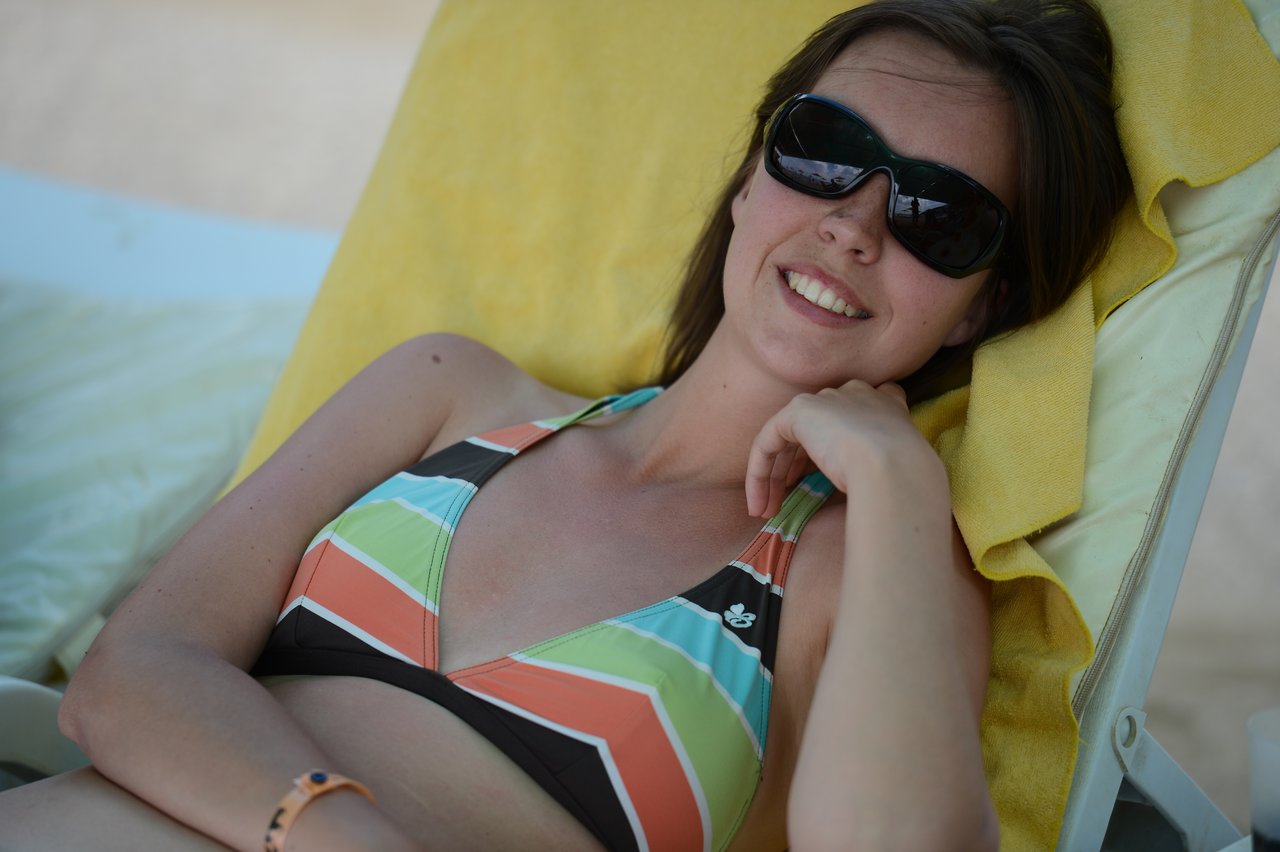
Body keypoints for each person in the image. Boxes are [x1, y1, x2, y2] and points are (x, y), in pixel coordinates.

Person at [0, 0, 1128, 849]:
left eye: (940, 215)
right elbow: (129, 675)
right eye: (824, 149)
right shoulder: (448, 391)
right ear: (747, 175)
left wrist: (896, 481)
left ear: (980, 304)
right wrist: (338, 833)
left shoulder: (865, 568)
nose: (853, 224)